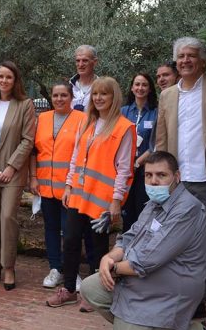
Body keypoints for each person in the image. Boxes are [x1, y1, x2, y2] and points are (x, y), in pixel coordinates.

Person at [79, 151, 206, 330]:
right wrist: (109, 257)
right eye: (149, 175)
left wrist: (113, 268)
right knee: (91, 288)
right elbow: (131, 235)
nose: (154, 181)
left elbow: (145, 261)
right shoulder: (155, 203)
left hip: (169, 289)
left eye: (161, 175)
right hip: (144, 280)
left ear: (177, 177)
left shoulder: (187, 210)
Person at [155, 36, 206, 330]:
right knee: (177, 245)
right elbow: (162, 140)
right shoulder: (167, 95)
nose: (185, 60)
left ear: (203, 60)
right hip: (178, 182)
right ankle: (193, 301)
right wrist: (161, 178)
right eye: (180, 56)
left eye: (191, 55)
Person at [47, 77, 135, 308]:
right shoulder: (87, 123)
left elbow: (124, 169)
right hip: (78, 194)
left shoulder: (124, 127)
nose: (98, 98)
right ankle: (68, 289)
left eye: (104, 94)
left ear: (113, 97)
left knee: (98, 246)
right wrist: (68, 186)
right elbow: (76, 158)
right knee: (72, 240)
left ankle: (96, 294)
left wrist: (116, 201)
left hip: (102, 199)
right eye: (95, 94)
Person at [0, 61, 36, 290]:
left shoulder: (25, 104)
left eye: (8, 77)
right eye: (0, 77)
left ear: (15, 80)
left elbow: (28, 139)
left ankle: (9, 265)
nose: (4, 81)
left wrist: (11, 167)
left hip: (13, 169)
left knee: (7, 217)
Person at [29, 81, 86, 289]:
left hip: (70, 188)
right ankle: (55, 268)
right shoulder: (42, 119)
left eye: (64, 95)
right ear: (50, 98)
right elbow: (34, 151)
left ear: (71, 98)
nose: (59, 99)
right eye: (55, 96)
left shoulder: (82, 119)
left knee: (71, 232)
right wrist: (33, 178)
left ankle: (72, 270)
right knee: (51, 228)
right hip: (45, 186)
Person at [120, 72, 158, 231]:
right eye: (137, 84)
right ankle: (126, 249)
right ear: (131, 88)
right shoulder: (123, 111)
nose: (140, 88)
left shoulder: (156, 112)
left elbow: (156, 143)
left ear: (149, 89)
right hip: (124, 170)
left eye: (144, 85)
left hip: (145, 170)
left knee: (143, 210)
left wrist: (137, 162)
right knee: (126, 213)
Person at [69, 45, 99, 111]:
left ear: (95, 62)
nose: (80, 64)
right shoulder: (68, 86)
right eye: (78, 61)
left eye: (85, 60)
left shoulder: (102, 87)